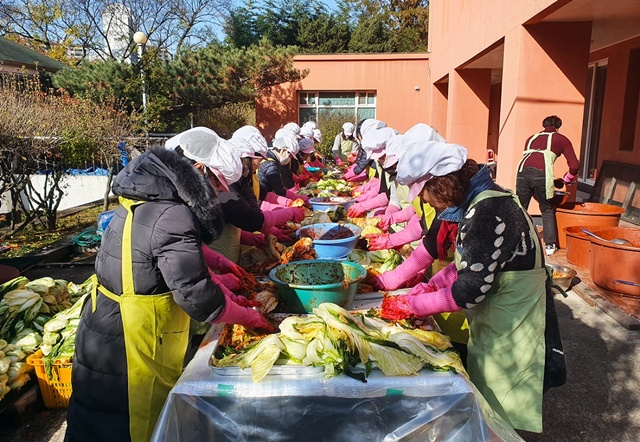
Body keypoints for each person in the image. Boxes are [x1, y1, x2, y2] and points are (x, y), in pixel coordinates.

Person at [65, 132, 273, 442]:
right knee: (133, 427)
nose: (217, 194)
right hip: (130, 341)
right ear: (199, 169)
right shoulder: (171, 211)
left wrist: (219, 263)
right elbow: (197, 295)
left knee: (97, 423)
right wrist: (248, 317)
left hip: (108, 323)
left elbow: (155, 243)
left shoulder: (152, 194)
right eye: (216, 184)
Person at [382, 140, 566, 433]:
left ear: (442, 185)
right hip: (497, 324)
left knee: (500, 414)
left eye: (427, 195)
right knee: (486, 407)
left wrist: (412, 305)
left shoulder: (488, 210)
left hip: (515, 331)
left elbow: (470, 289)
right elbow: (468, 263)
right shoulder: (484, 201)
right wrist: (431, 284)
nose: (427, 203)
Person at [515, 115, 579, 255]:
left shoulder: (531, 138)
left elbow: (532, 160)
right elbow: (575, 165)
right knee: (547, 208)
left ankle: (515, 242)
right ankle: (550, 246)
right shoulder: (561, 139)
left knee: (520, 208)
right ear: (558, 127)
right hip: (541, 174)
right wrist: (567, 179)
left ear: (544, 125)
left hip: (522, 172)